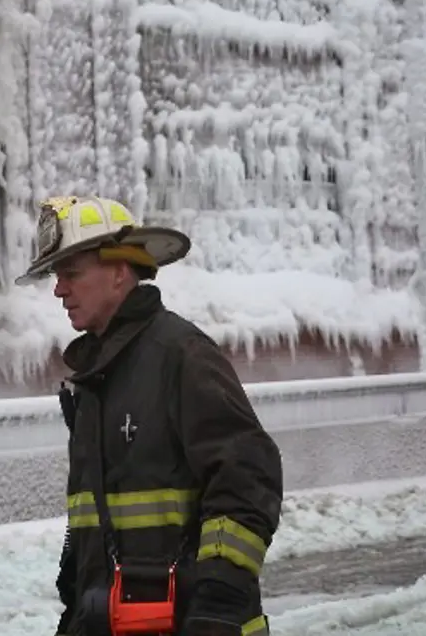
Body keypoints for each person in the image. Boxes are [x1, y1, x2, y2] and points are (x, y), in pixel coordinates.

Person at [17, 195, 283, 636]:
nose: (59, 289)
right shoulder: (94, 381)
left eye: (72, 274)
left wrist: (217, 606)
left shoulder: (181, 356)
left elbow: (248, 479)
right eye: (57, 277)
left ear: (119, 272)